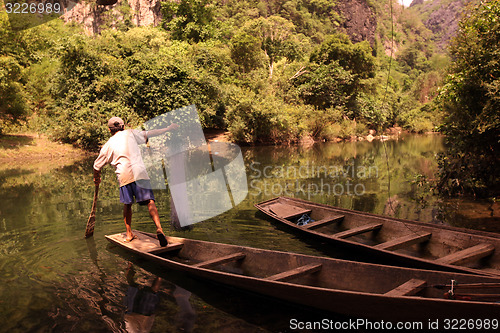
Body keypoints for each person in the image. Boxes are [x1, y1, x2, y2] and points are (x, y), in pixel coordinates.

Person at [93, 117, 178, 246]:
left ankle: (128, 234)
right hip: (140, 173)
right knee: (150, 201)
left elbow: (96, 166)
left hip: (124, 176)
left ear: (110, 130)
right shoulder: (131, 133)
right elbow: (150, 133)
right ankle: (159, 229)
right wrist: (168, 128)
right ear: (123, 126)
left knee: (127, 205)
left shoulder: (108, 144)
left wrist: (97, 177)